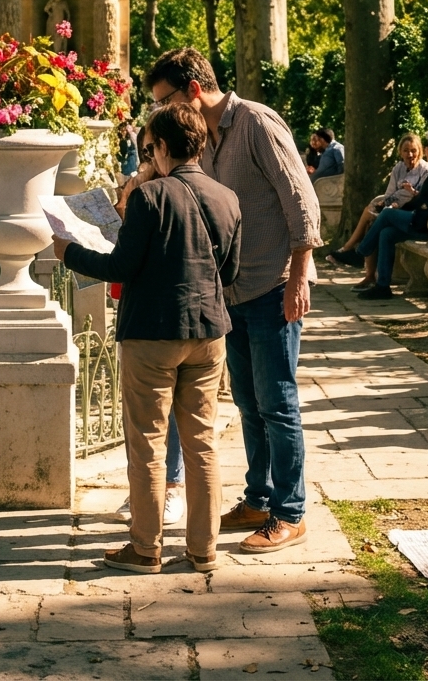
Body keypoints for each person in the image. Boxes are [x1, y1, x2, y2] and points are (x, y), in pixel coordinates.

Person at [146, 47, 322, 554]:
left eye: (165, 101)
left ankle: (291, 513)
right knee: (247, 403)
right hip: (233, 293)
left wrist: (298, 277)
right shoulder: (204, 139)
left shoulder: (257, 123)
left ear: (194, 91)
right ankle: (259, 498)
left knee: (278, 403)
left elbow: (302, 202)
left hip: (273, 287)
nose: (162, 112)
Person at [54, 104, 241, 574]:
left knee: (148, 443)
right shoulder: (227, 197)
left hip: (152, 333)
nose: (148, 154)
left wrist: (68, 251)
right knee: (202, 442)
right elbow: (231, 272)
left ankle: (146, 547)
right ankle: (203, 550)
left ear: (160, 147)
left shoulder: (150, 196)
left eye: (149, 147)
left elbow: (119, 268)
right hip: (208, 332)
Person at [111, 122, 186, 527]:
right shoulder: (138, 190)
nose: (145, 160)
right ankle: (143, 488)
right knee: (138, 411)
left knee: (170, 411)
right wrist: (123, 204)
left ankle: (172, 487)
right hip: (135, 305)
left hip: (166, 316)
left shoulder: (173, 191)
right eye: (141, 152)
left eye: (150, 151)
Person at [328, 130, 428, 301]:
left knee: (386, 216)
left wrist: (398, 209)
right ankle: (382, 287)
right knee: (387, 234)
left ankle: (360, 253)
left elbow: (420, 200)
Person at [325, 133, 428, 292]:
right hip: (395, 210)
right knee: (375, 220)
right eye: (406, 151)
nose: (410, 155)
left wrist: (411, 192)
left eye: (414, 150)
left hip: (412, 214)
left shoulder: (425, 170)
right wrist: (388, 203)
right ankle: (377, 281)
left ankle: (354, 252)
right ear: (400, 152)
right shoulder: (398, 168)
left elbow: (424, 199)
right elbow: (389, 194)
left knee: (376, 218)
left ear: (420, 151)